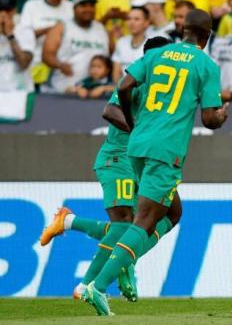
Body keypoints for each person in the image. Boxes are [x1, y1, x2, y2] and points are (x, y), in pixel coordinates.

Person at [80, 9, 229, 316]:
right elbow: (210, 119)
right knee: (145, 220)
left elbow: (122, 88)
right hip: (166, 150)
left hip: (136, 147)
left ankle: (122, 260)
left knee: (172, 211)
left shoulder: (157, 54)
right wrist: (222, 115)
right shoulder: (206, 65)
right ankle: (98, 285)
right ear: (207, 36)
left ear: (182, 29)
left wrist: (135, 123)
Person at [39, 35, 176, 302]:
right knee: (125, 222)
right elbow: (110, 110)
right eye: (165, 56)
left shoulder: (167, 85)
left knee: (137, 223)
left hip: (142, 162)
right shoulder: (136, 79)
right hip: (119, 158)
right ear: (148, 58)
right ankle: (87, 285)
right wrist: (140, 134)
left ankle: (69, 222)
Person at [42, 0, 108, 94]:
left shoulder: (101, 29)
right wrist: (60, 65)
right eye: (83, 5)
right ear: (74, 8)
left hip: (94, 91)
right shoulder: (61, 27)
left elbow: (110, 59)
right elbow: (46, 56)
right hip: (64, 89)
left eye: (92, 5)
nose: (88, 9)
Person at [16, 0, 73, 86]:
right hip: (35, 61)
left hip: (61, 63)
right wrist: (51, 29)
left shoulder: (71, 7)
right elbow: (23, 35)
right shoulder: (32, 5)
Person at [0, 0, 34, 95]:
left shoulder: (25, 31)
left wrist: (10, 36)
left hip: (20, 93)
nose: (3, 14)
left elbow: (24, 64)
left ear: (15, 11)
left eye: (7, 10)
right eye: (0, 10)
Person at [112, 6, 149, 82]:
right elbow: (116, 72)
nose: (132, 23)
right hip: (122, 90)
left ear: (146, 23)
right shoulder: (121, 42)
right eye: (129, 19)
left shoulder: (153, 45)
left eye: (136, 19)